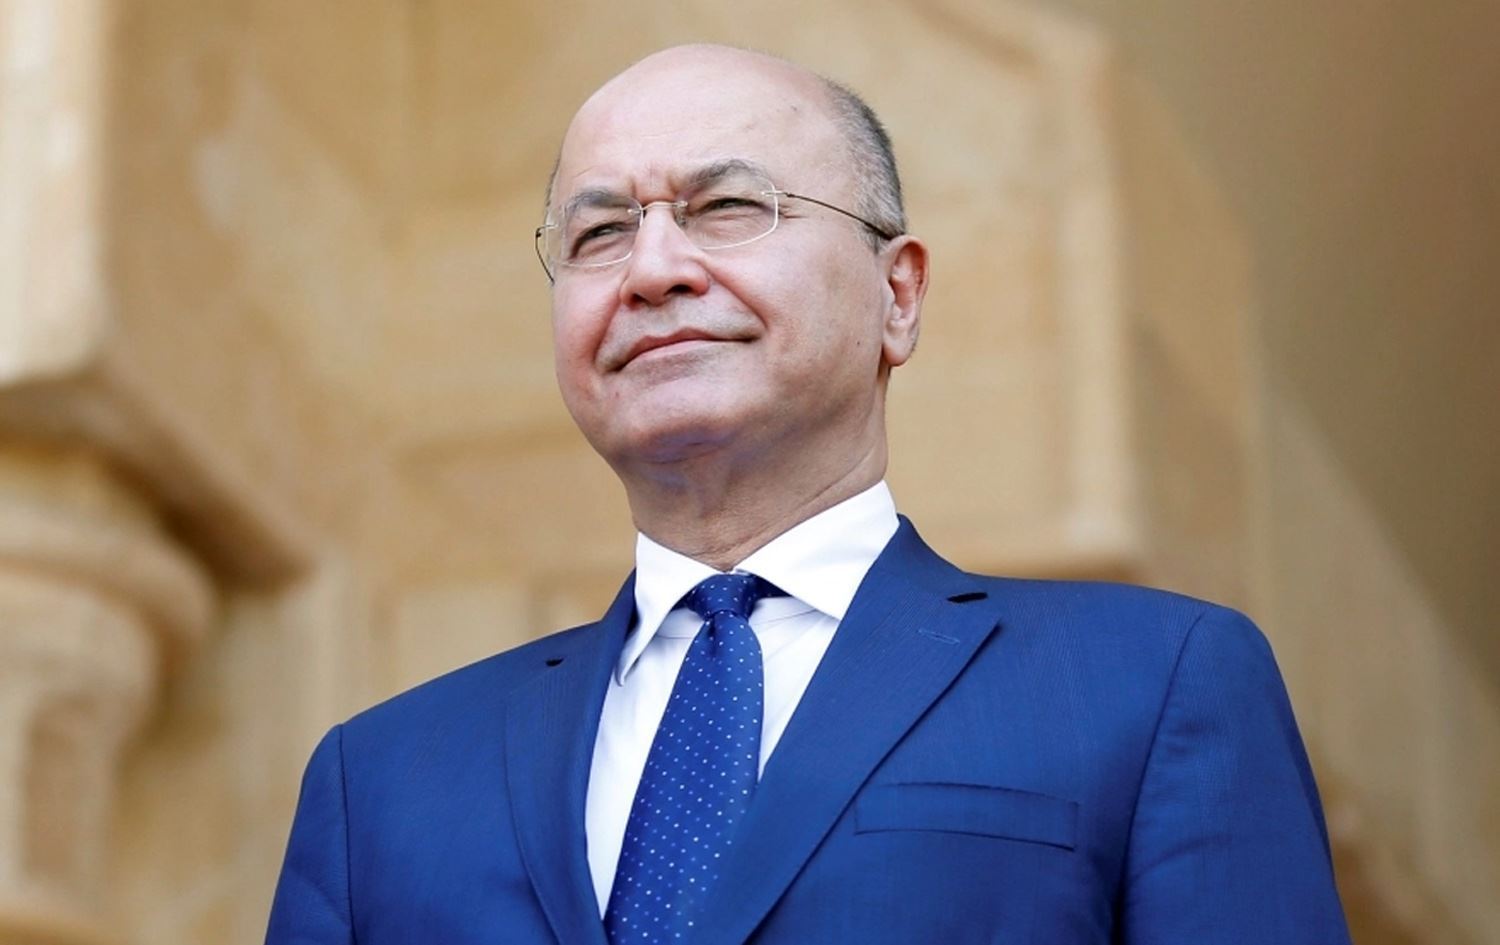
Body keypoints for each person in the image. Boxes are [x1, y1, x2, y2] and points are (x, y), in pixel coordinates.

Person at [265, 44, 1351, 944]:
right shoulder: (383, 782)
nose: (652, 269)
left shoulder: (1150, 683)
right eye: (599, 233)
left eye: (728, 206)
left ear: (898, 295)